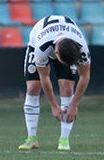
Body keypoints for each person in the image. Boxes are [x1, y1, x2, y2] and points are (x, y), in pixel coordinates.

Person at [18, 14, 92, 152]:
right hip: (38, 39)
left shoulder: (81, 47)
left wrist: (74, 105)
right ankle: (31, 139)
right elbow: (44, 77)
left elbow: (85, 75)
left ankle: (64, 140)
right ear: (56, 53)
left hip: (64, 37)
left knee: (67, 88)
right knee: (33, 87)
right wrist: (53, 106)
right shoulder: (42, 48)